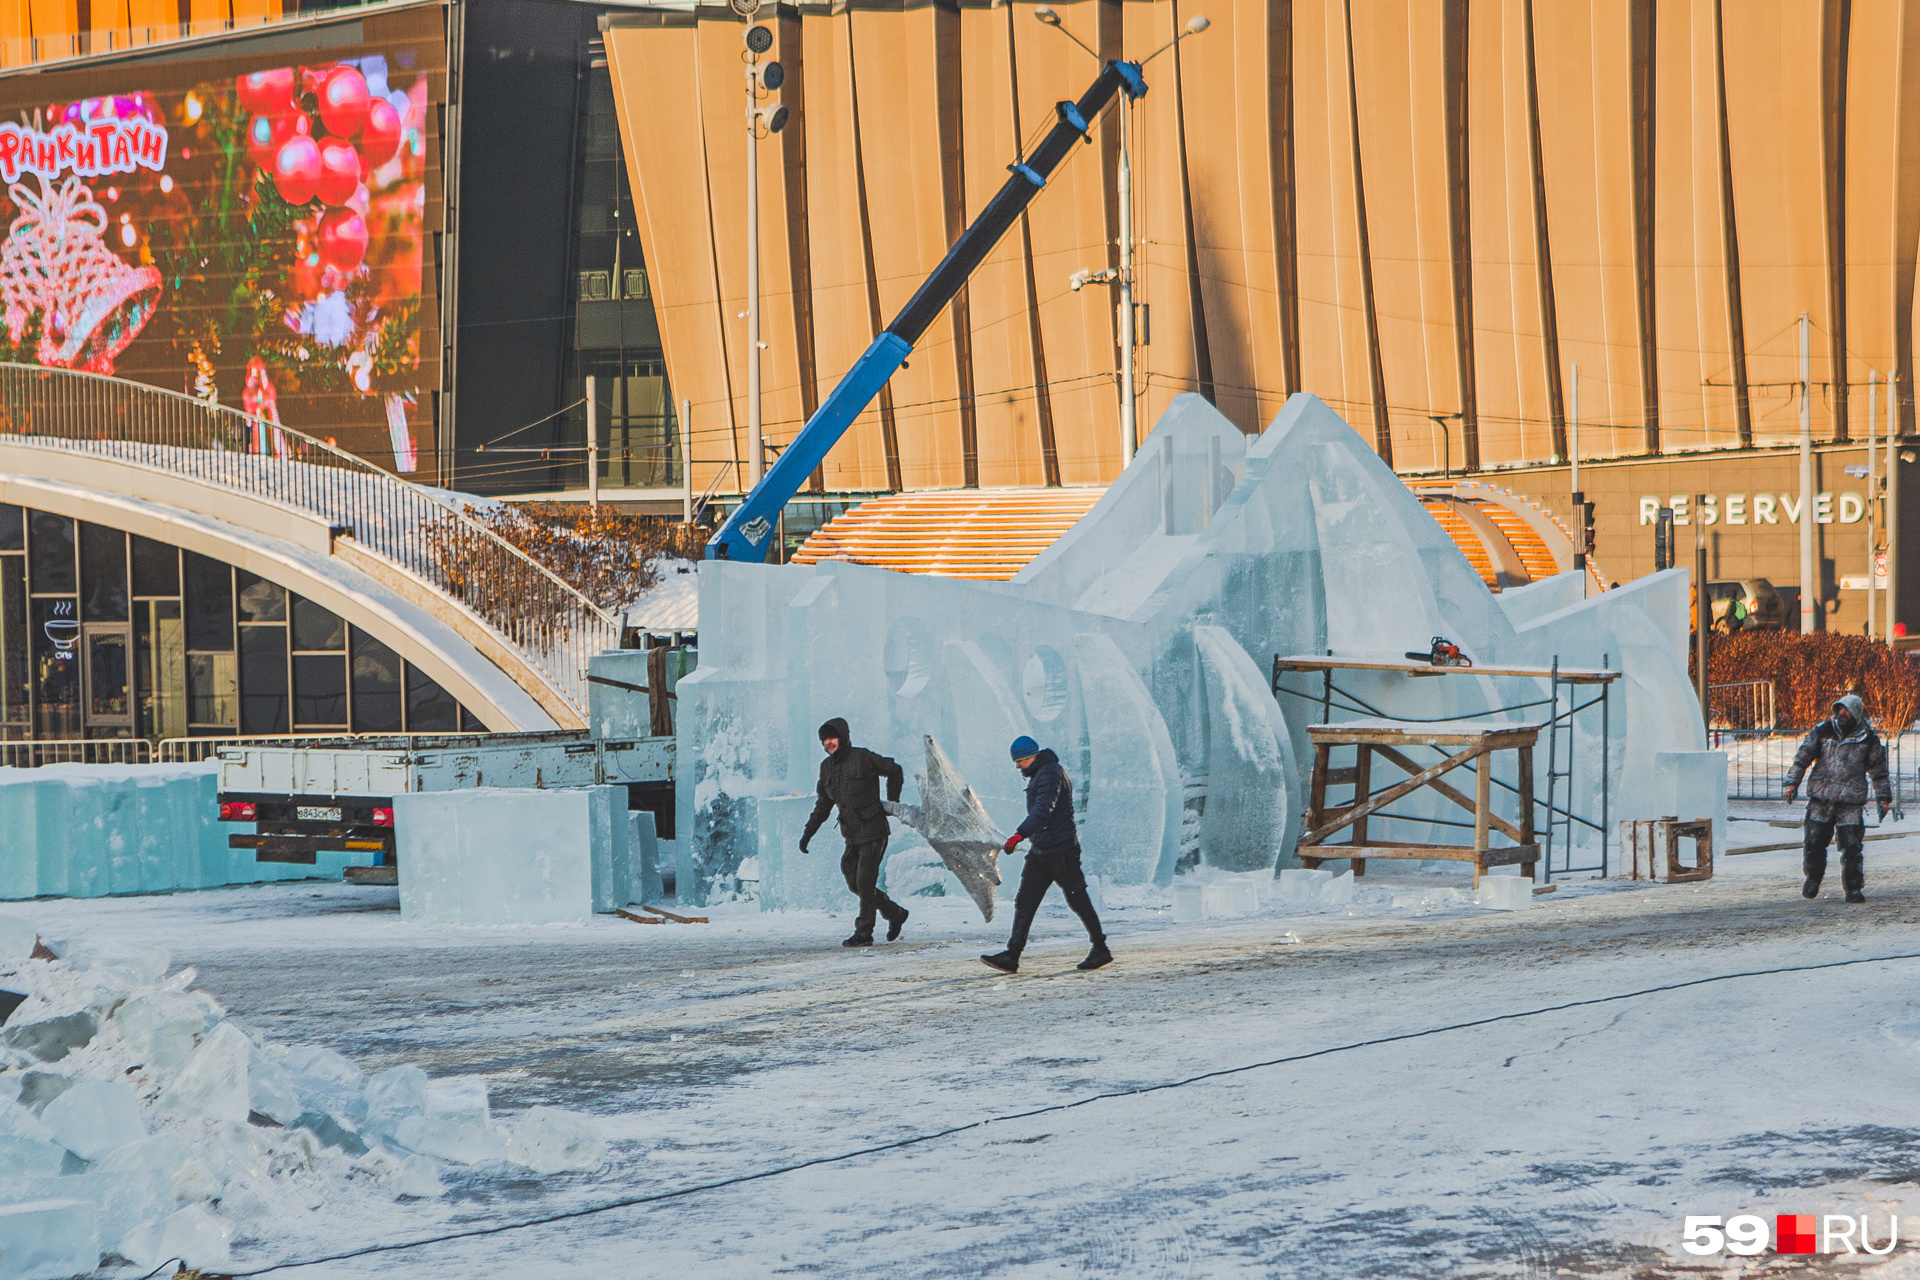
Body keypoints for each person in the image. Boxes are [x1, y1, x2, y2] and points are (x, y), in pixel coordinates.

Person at [981, 735, 1111, 974]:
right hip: (1041, 851)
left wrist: (1019, 834)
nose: (1018, 766)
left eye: (1020, 761)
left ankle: (1100, 948)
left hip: (1062, 851)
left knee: (1077, 899)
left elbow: (1043, 810)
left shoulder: (1050, 773)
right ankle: (1012, 955)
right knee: (1025, 902)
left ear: (1033, 756)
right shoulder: (1040, 773)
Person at [799, 717, 909, 946]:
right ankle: (895, 913)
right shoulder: (826, 768)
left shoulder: (863, 758)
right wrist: (808, 833)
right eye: (824, 739)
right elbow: (822, 806)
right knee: (854, 883)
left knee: (865, 883)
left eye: (832, 737)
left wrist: (893, 801)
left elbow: (894, 769)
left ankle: (864, 933)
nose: (828, 743)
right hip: (852, 834)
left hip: (873, 829)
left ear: (843, 736)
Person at [1782, 693, 1892, 903]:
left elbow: (1879, 772)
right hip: (1821, 798)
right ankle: (1813, 878)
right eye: (1840, 709)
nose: (1842, 713)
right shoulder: (1822, 731)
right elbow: (1802, 758)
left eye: (1847, 709)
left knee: (1852, 848)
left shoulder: (1869, 739)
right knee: (1814, 843)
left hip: (1850, 801)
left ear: (1856, 713)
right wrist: (1791, 782)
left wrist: (1884, 798)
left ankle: (1853, 890)